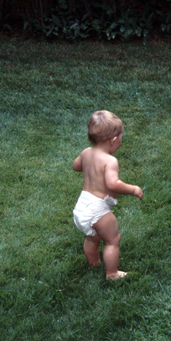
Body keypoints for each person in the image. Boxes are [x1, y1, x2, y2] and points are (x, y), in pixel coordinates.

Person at [72, 110, 143, 279]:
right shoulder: (110, 161)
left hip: (82, 206)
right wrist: (132, 189)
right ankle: (112, 273)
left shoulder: (86, 153)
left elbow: (76, 166)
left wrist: (89, 165)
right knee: (113, 240)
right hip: (98, 209)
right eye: (121, 138)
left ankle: (93, 263)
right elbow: (113, 183)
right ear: (113, 140)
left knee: (93, 238)